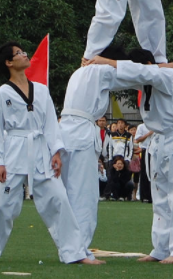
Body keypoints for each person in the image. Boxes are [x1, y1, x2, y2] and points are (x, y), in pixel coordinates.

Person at [0, 42, 96, 265]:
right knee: (2, 205)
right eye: (19, 53)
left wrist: (56, 151)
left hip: (40, 151)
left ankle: (75, 253)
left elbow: (50, 124)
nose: (25, 55)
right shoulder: (1, 94)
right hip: (13, 152)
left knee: (59, 199)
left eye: (23, 52)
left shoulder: (41, 90)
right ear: (9, 62)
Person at [90, 47, 173, 263]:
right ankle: (160, 248)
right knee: (159, 198)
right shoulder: (149, 78)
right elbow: (130, 76)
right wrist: (100, 64)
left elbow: (144, 73)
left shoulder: (169, 76)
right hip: (158, 142)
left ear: (147, 66)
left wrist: (105, 60)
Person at [58, 46, 137, 262]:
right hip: (81, 134)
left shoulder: (79, 72)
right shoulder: (100, 70)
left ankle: (69, 247)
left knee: (67, 193)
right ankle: (78, 250)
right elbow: (134, 75)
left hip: (66, 131)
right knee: (84, 194)